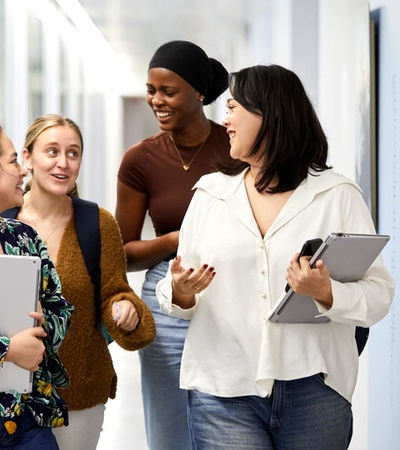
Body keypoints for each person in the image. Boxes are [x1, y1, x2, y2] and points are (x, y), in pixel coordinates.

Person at [156, 65, 395, 450]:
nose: (225, 119)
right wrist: (182, 291)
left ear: (272, 113)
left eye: (234, 107)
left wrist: (327, 292)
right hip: (223, 390)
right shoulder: (210, 195)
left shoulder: (337, 195)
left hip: (315, 388)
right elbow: (177, 294)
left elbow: (379, 294)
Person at [2, 114, 155, 450]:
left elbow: (114, 291)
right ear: (26, 158)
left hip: (79, 392)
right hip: (12, 395)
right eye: (52, 151)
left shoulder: (95, 222)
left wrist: (125, 308)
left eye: (73, 153)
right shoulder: (6, 225)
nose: (64, 163)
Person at [115, 40, 231, 450]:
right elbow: (123, 253)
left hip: (228, 290)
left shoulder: (236, 149)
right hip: (165, 298)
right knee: (169, 429)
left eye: (168, 91)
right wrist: (175, 239)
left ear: (199, 92)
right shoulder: (139, 160)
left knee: (230, 419)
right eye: (151, 90)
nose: (156, 101)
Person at [0, 125, 73, 448]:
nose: (21, 171)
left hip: (27, 421)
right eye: (13, 161)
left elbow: (60, 309)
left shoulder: (23, 237)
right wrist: (7, 350)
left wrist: (42, 325)